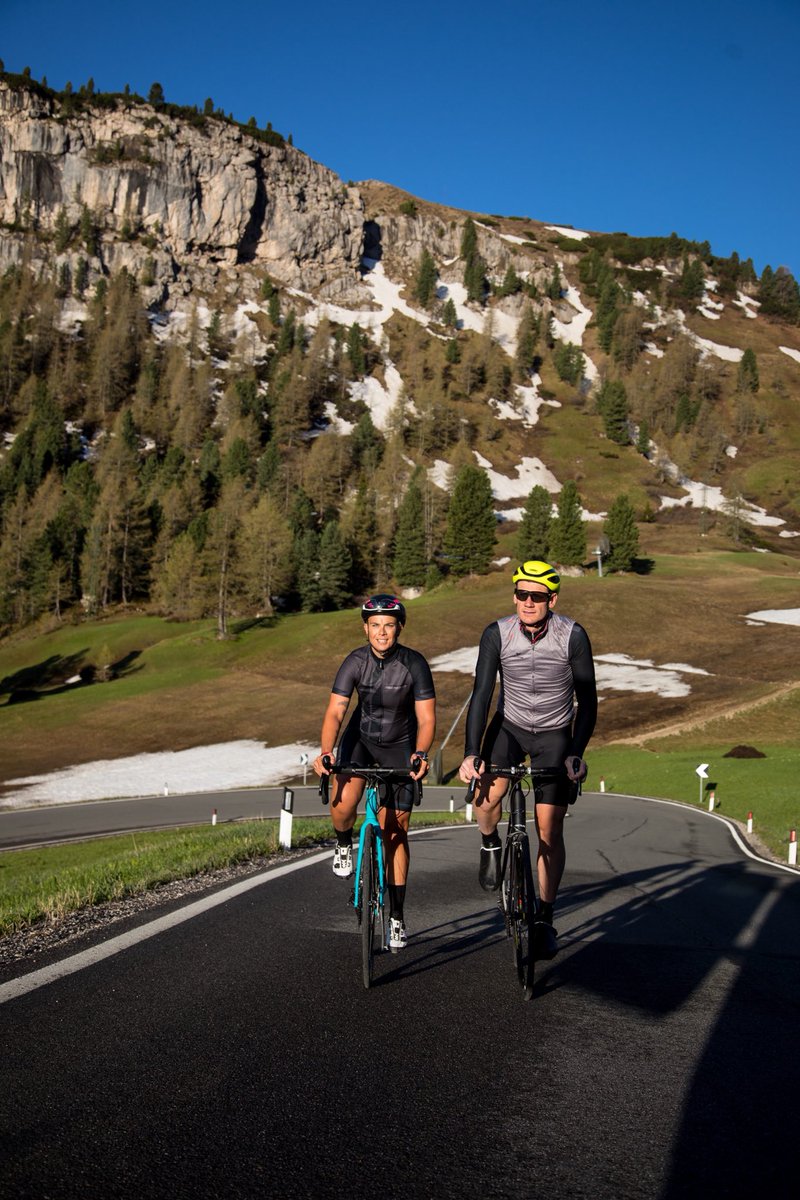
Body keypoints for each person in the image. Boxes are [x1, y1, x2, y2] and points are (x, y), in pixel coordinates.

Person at [458, 560, 597, 959]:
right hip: (509, 726)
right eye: (522, 594)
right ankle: (489, 843)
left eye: (537, 596)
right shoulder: (496, 634)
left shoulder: (572, 635)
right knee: (486, 800)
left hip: (555, 734)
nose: (528, 602)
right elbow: (482, 694)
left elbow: (587, 701)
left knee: (549, 829)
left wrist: (576, 753)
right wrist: (471, 753)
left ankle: (545, 918)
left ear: (552, 599)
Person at [314, 594, 436, 952]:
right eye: (375, 626)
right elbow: (336, 711)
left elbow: (427, 718)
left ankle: (396, 917)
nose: (382, 632)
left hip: (401, 743)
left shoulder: (414, 664)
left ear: (399, 627)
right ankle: (342, 844)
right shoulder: (354, 661)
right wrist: (326, 750)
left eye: (389, 625)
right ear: (365, 628)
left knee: (395, 831)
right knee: (342, 802)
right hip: (362, 739)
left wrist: (420, 753)